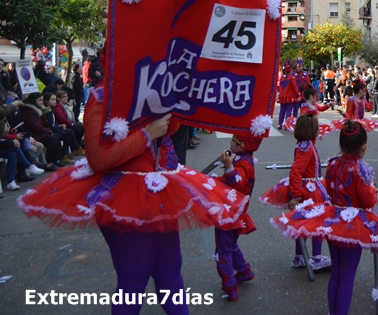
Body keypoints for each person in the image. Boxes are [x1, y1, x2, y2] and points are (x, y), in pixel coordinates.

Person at [17, 77, 251, 314]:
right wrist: (146, 134)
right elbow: (99, 158)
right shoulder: (102, 96)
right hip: (123, 196)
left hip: (161, 188)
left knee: (169, 272)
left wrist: (172, 106)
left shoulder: (151, 84)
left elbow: (170, 129)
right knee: (133, 279)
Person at [270, 120, 378, 315]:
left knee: (337, 274)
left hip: (333, 221)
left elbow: (329, 187)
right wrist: (372, 190)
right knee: (347, 276)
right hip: (353, 224)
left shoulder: (332, 163)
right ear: (364, 146)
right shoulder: (361, 169)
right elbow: (367, 201)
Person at [259, 114, 331, 270]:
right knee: (316, 222)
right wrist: (297, 195)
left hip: (309, 186)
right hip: (309, 190)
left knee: (303, 223)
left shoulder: (305, 144)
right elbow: (296, 171)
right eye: (316, 127)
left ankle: (300, 257)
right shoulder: (306, 147)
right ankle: (316, 258)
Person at [212, 132, 260, 301]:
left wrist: (228, 166)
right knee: (230, 245)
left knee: (222, 250)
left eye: (233, 141)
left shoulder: (243, 163)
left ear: (240, 146)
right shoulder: (243, 159)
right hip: (233, 211)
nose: (230, 143)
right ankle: (243, 271)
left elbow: (238, 183)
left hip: (229, 214)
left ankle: (230, 286)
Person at [19, 93, 68, 170]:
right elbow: (35, 126)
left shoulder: (36, 109)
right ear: (33, 101)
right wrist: (48, 131)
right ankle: (50, 163)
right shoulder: (29, 111)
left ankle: (56, 160)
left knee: (57, 136)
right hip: (34, 134)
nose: (42, 102)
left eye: (42, 100)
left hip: (39, 132)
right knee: (52, 139)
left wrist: (48, 131)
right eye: (40, 100)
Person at [277, 60, 300, 129]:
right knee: (288, 111)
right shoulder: (291, 78)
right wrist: (298, 95)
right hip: (290, 97)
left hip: (282, 96)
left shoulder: (281, 77)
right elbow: (294, 88)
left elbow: (279, 87)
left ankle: (280, 124)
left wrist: (279, 94)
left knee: (282, 110)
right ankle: (287, 124)